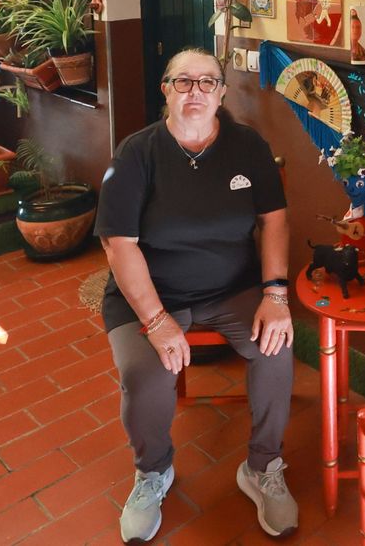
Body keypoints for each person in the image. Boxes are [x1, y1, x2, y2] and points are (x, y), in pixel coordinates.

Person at [95, 47, 298, 542]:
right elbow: (117, 244)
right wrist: (157, 321)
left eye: (207, 82)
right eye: (182, 82)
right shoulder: (136, 154)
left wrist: (275, 294)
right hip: (147, 294)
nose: (195, 92)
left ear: (222, 93)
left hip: (232, 288)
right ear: (165, 90)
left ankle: (262, 466)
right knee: (146, 376)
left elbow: (274, 220)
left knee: (276, 350)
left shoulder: (247, 147)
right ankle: (153, 472)